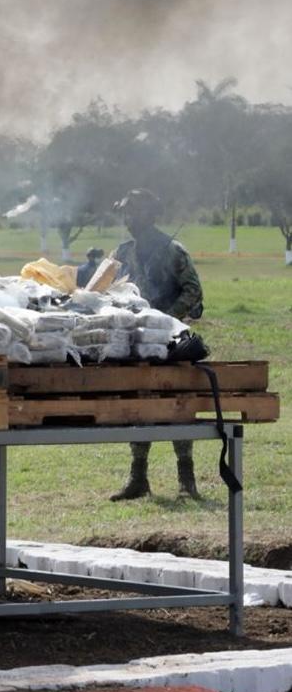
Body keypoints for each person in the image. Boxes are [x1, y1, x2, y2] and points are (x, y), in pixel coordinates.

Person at [107, 189, 205, 501]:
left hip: (173, 340)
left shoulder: (173, 250)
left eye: (134, 212)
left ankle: (186, 480)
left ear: (150, 215)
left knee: (178, 405)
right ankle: (138, 478)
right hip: (136, 341)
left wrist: (165, 318)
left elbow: (193, 291)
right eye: (125, 213)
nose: (128, 219)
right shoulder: (121, 253)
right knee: (140, 404)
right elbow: (105, 289)